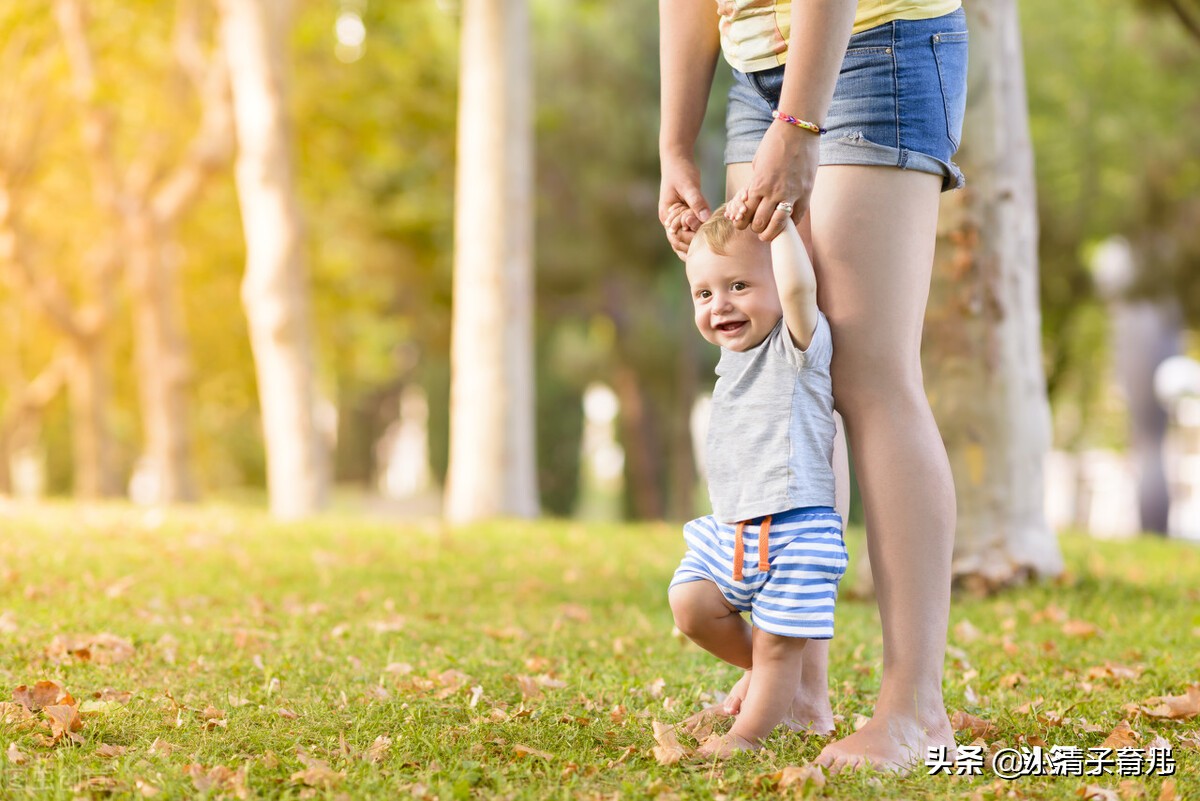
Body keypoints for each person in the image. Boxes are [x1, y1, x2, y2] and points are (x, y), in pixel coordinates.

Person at [659, 0, 967, 773]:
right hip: (753, 65)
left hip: (874, 39)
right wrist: (672, 144)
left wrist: (797, 123)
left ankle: (915, 712)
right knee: (787, 374)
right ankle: (797, 691)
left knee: (868, 371)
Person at [668, 201, 847, 759]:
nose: (720, 304)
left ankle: (747, 734)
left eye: (740, 285)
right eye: (704, 293)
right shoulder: (730, 359)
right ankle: (777, 676)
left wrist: (782, 227)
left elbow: (796, 290)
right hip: (732, 530)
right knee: (690, 603)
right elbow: (715, 275)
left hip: (794, 531)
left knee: (774, 651)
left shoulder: (797, 346)